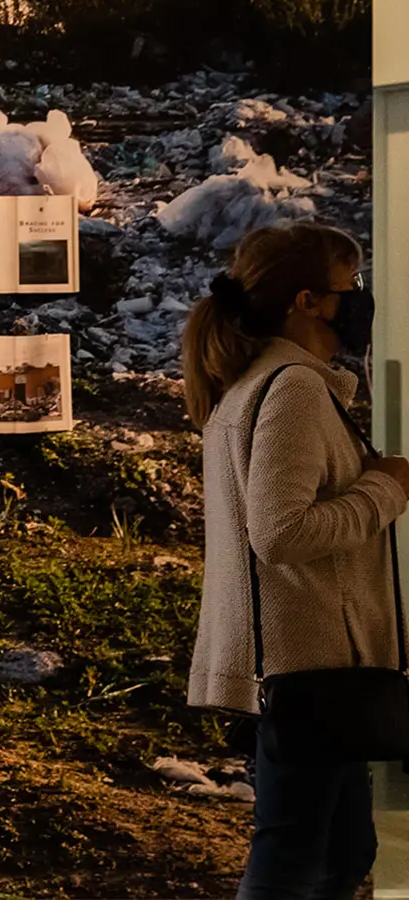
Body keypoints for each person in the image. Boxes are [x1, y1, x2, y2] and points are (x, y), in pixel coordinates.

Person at [184, 222, 409, 900]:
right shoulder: (292, 389)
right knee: (293, 858)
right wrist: (387, 487)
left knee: (339, 853)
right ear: (306, 301)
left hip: (307, 666)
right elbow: (279, 533)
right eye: (350, 287)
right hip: (308, 666)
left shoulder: (259, 384)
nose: (359, 302)